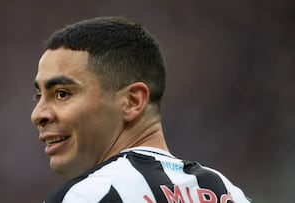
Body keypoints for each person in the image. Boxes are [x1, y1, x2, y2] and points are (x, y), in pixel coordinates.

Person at [31, 16, 251, 203]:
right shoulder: (232, 193)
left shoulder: (87, 196)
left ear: (133, 101)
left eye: (62, 93)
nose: (37, 115)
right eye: (39, 95)